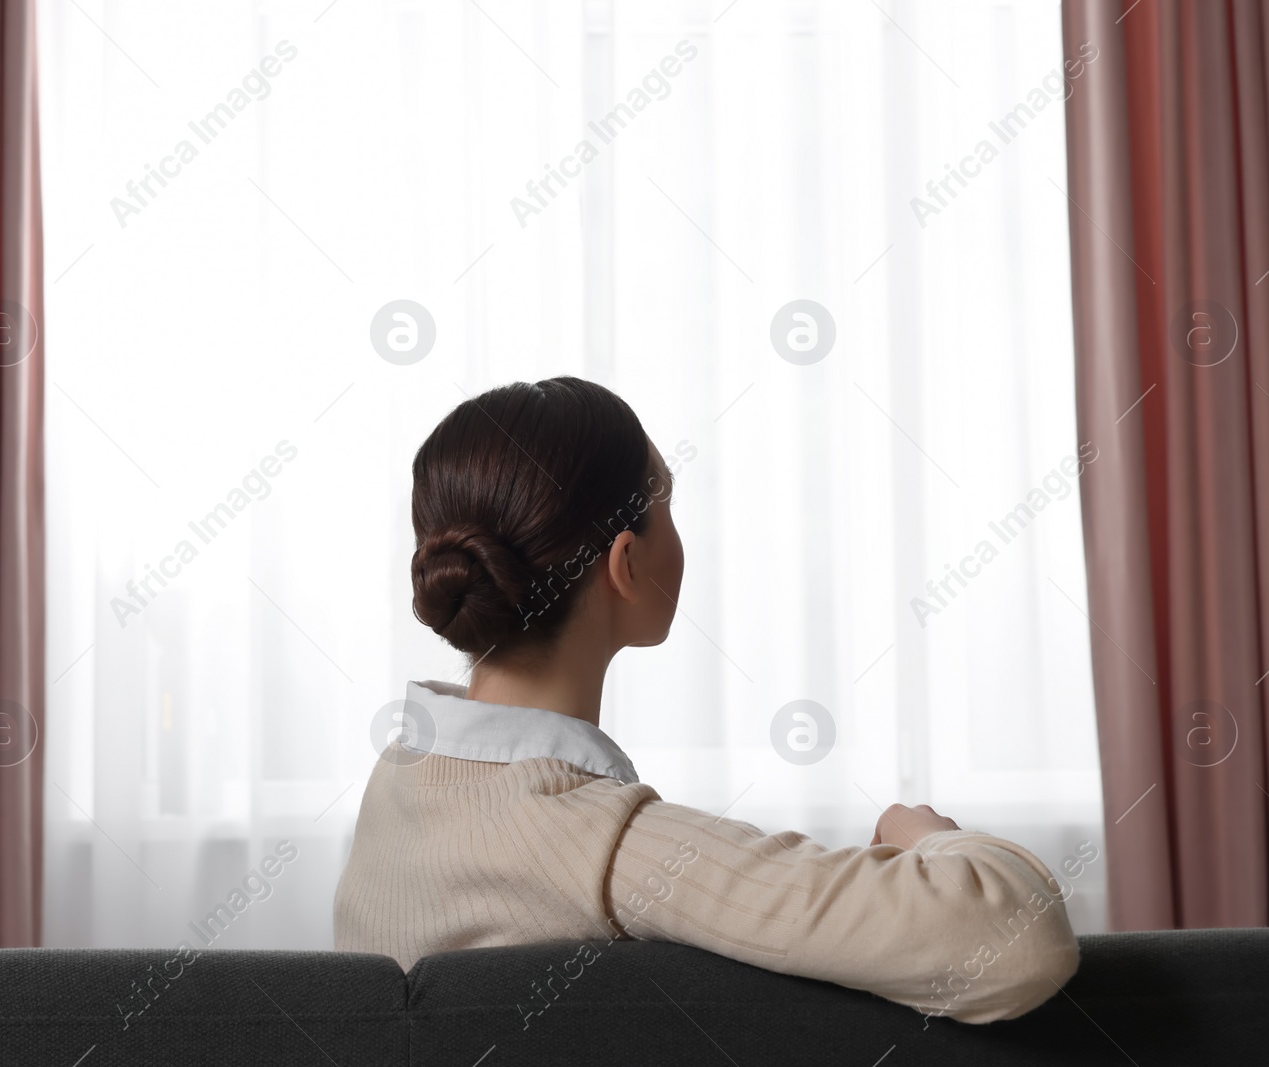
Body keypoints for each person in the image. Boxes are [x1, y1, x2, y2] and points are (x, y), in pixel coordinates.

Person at [333, 376, 1079, 1024]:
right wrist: (927, 835)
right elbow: (1017, 937)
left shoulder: (396, 782)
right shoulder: (597, 845)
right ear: (625, 562)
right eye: (667, 505)